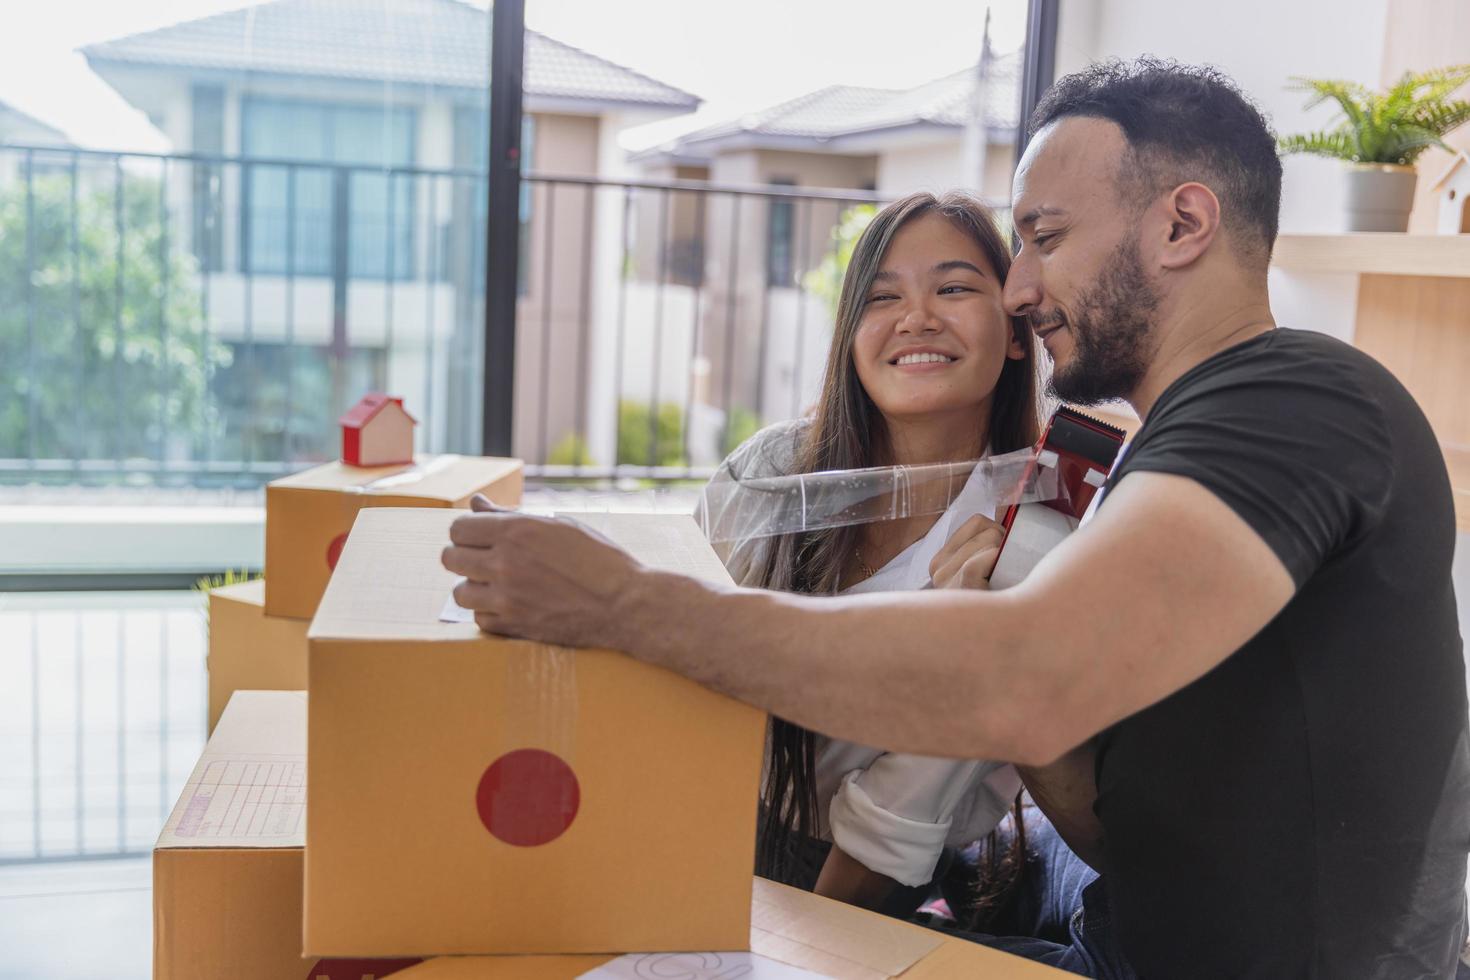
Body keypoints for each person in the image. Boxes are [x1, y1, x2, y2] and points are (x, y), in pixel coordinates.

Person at [444, 59, 1470, 978]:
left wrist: (625, 602)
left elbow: (1023, 678)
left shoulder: (1294, 399)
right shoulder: (1162, 454)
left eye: (1044, 238)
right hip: (1126, 941)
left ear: (1182, 224)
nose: (1022, 287)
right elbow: (1113, 815)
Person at [702, 190, 1039, 915]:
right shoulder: (769, 471)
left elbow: (894, 827)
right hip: (692, 821)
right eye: (882, 297)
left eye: (953, 288)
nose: (917, 318)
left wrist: (802, 949)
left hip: (846, 889)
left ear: (1015, 332)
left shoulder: (1024, 539)